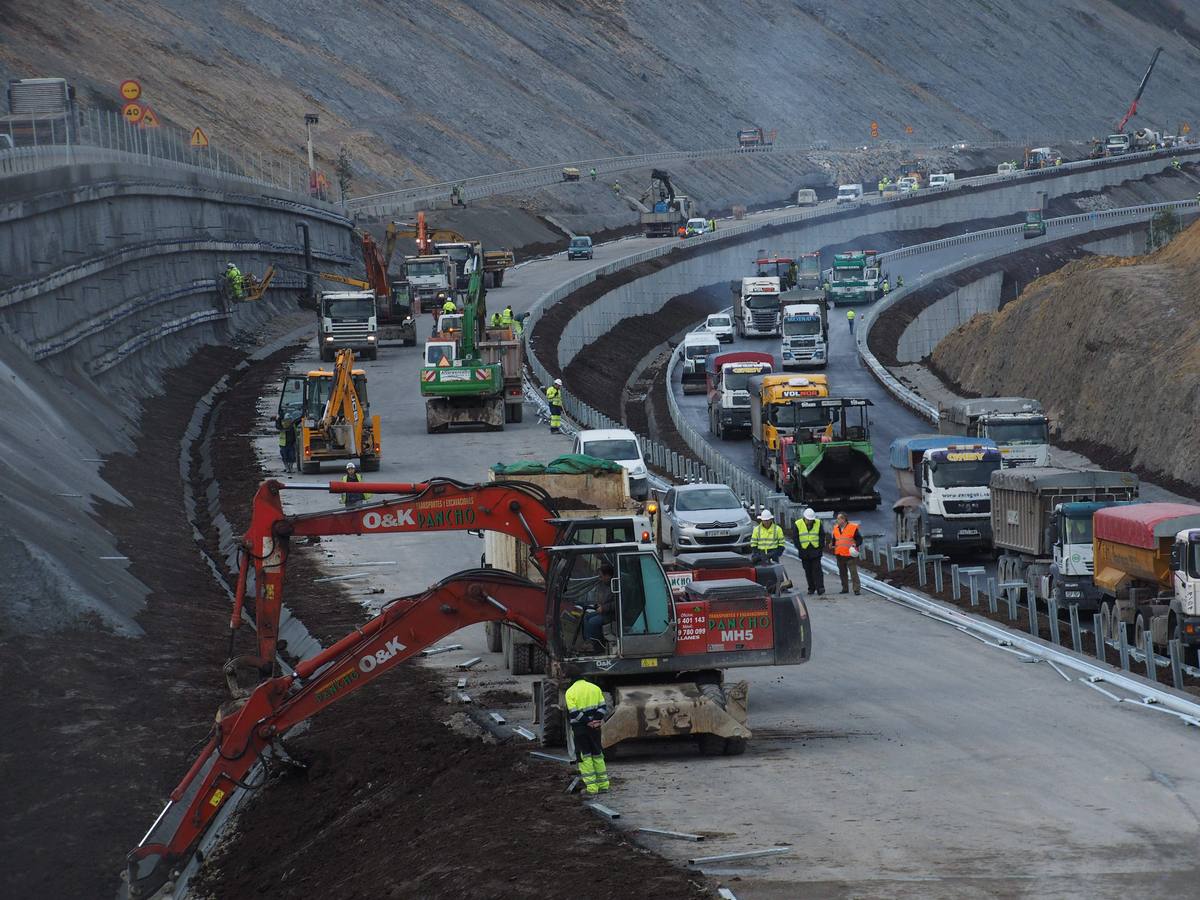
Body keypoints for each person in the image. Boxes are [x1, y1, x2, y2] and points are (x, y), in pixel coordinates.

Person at [565, 674, 610, 795]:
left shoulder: (570, 692)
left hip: (580, 729)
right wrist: (595, 720)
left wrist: (587, 721)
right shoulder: (595, 688)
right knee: (597, 755)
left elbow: (574, 713)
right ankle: (604, 785)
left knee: (585, 757)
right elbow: (602, 707)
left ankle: (592, 788)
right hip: (595, 728)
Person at [793, 508, 825, 595]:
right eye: (808, 520)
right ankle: (811, 588)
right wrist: (800, 548)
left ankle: (820, 588)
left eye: (811, 520)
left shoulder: (818, 523)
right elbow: (795, 538)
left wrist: (820, 547)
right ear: (804, 518)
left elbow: (822, 536)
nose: (810, 521)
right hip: (804, 551)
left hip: (815, 550)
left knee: (817, 570)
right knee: (808, 571)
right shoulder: (798, 524)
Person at [582, 562, 616, 645]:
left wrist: (604, 608)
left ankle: (597, 645)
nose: (600, 578)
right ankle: (588, 641)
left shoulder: (615, 586)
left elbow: (617, 603)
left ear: (608, 576)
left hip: (611, 614)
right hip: (602, 612)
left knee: (592, 621)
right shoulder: (602, 584)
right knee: (586, 617)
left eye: (601, 576)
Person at [829, 511, 862, 595]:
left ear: (843, 519)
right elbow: (835, 539)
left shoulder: (852, 528)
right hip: (839, 554)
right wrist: (832, 544)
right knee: (842, 573)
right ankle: (845, 588)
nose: (837, 520)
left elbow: (859, 539)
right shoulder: (836, 528)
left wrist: (855, 544)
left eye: (838, 519)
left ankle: (856, 589)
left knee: (853, 573)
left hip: (849, 555)